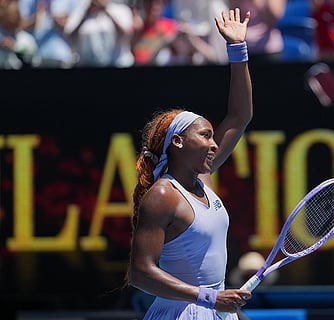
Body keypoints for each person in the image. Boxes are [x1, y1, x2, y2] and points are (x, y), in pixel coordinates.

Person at [127, 7, 253, 320]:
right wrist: (210, 297)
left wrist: (237, 49)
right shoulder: (162, 196)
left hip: (216, 310)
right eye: (206, 136)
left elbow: (240, 115)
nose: (214, 143)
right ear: (178, 142)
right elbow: (140, 274)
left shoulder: (204, 177)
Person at [63, 0, 134, 67]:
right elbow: (69, 36)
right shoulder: (79, 11)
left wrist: (106, 10)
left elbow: (126, 34)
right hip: (89, 65)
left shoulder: (122, 10)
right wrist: (85, 15)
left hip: (118, 64)